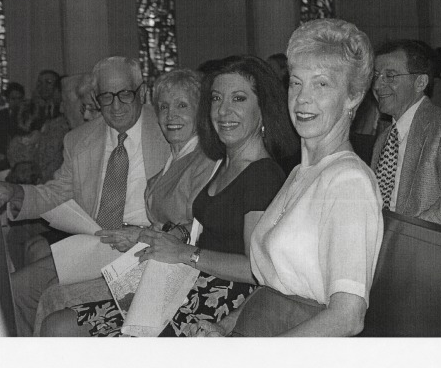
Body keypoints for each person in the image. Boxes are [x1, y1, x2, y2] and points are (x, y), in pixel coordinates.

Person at [44, 56, 297, 337]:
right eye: (216, 99)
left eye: (238, 99)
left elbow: (256, 270)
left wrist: (186, 254)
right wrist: (149, 236)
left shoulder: (262, 175)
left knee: (63, 328)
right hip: (184, 282)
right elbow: (205, 228)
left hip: (218, 300)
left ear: (262, 109)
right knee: (58, 323)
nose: (223, 111)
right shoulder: (226, 162)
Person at [0, 56, 170, 336]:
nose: (116, 105)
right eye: (106, 97)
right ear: (97, 100)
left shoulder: (166, 127)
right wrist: (14, 191)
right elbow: (56, 193)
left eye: (125, 94)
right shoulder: (79, 139)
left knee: (55, 299)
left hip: (145, 245)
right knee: (19, 289)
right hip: (95, 246)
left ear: (142, 91)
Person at [231, 18, 383, 337]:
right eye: (296, 82)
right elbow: (276, 282)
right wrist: (223, 326)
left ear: (353, 96)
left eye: (321, 84)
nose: (302, 98)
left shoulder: (348, 181)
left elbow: (348, 317)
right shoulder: (303, 172)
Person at [39, 68, 218, 336]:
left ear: (201, 111)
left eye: (182, 105)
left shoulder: (203, 160)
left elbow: (194, 230)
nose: (171, 116)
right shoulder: (175, 158)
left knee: (56, 303)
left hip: (179, 279)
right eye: (164, 107)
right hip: (150, 266)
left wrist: (139, 236)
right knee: (52, 294)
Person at [371, 39, 441, 231]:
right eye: (376, 75)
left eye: (390, 76)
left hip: (431, 249)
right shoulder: (384, 137)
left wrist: (406, 234)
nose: (377, 85)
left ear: (420, 82)